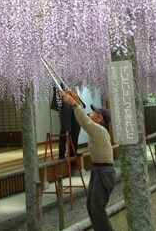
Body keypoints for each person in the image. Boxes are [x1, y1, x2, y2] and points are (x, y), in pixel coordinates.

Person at [60, 90, 115, 231]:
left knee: (97, 207)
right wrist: (76, 101)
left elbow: (83, 120)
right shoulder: (97, 130)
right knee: (91, 205)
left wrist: (73, 104)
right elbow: (83, 115)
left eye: (94, 113)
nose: (91, 114)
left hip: (104, 171)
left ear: (100, 119)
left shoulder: (100, 131)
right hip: (98, 170)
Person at [51, 86, 81, 159]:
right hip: (64, 103)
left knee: (76, 129)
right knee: (65, 129)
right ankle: (61, 153)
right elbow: (56, 87)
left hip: (74, 102)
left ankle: (73, 152)